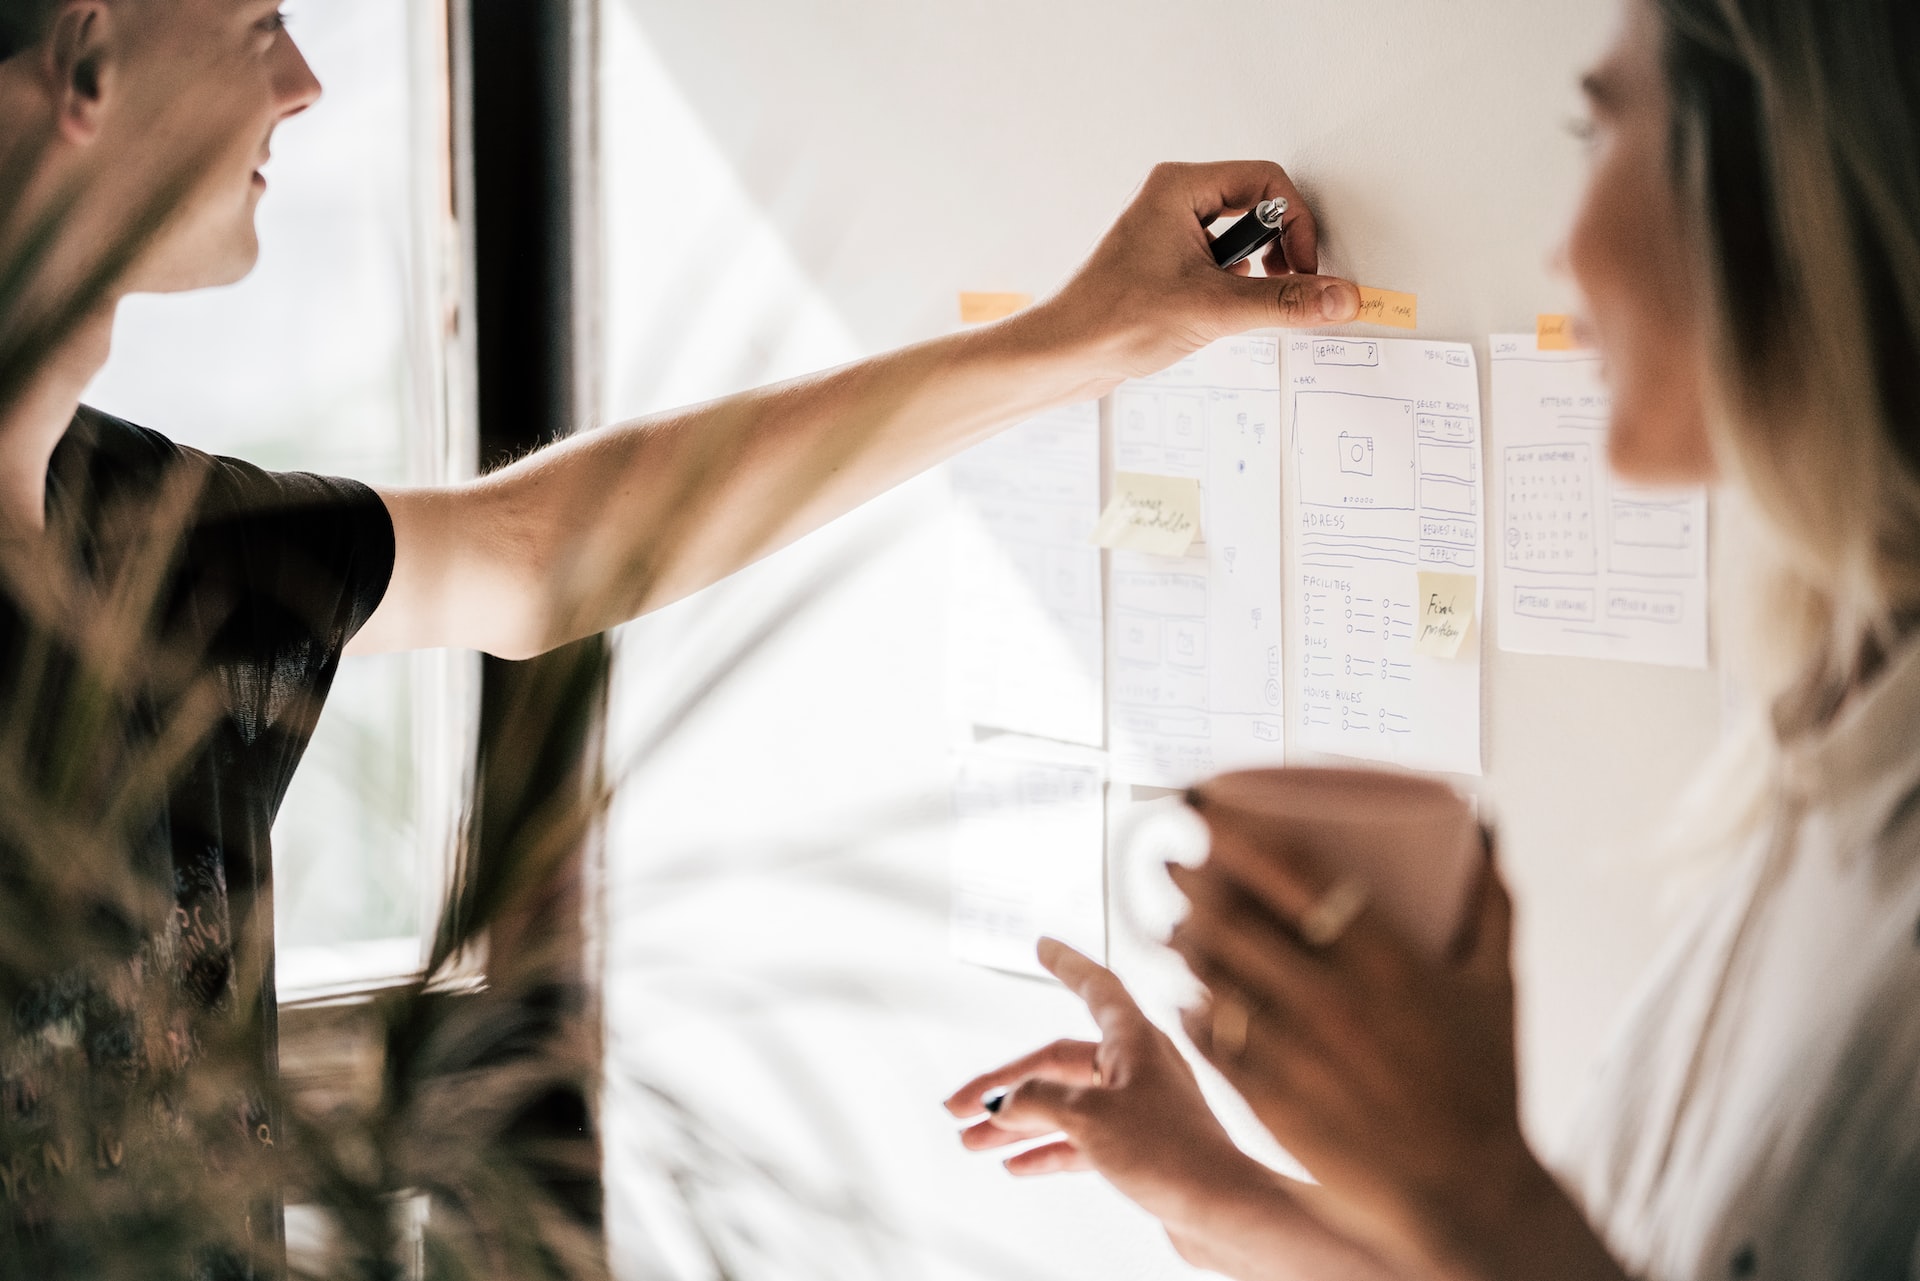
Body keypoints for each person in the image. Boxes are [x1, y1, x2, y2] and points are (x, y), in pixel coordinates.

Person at [0, 0, 1364, 1274]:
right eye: (257, 25)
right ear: (89, 63)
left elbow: (537, 553)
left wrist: (1080, 339)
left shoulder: (141, 533)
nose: (301, 83)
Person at [949, 0, 1920, 1277]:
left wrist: (1464, 1173)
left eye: (1598, 131)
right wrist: (1214, 1185)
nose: (1565, 252)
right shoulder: (1829, 744)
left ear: (1784, 180)